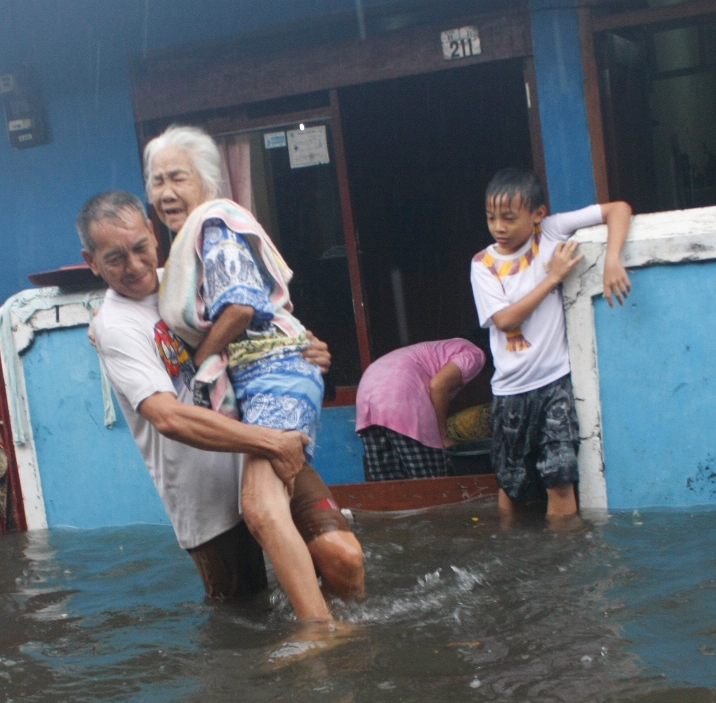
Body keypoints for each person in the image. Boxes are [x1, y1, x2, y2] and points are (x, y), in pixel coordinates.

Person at [79, 190, 365, 634]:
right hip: (208, 495)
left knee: (342, 559)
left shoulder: (187, 278)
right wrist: (273, 440)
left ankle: (340, 661)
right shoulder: (116, 327)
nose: (133, 266)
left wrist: (310, 351)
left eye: (139, 248)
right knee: (243, 623)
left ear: (155, 235)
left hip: (265, 454)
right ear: (91, 262)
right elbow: (169, 417)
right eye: (114, 258)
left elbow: (263, 327)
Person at [144, 125, 336, 626]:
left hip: (274, 372)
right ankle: (325, 618)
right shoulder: (188, 249)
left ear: (207, 181)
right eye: (157, 180)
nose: (166, 192)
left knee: (259, 507)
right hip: (266, 376)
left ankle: (320, 633)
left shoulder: (215, 227)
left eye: (178, 178)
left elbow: (241, 308)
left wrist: (198, 368)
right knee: (269, 510)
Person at [470, 168, 632, 523]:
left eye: (509, 218)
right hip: (510, 391)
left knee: (561, 479)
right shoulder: (483, 265)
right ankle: (509, 551)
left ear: (538, 214)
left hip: (555, 384)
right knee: (511, 485)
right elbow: (506, 321)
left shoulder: (553, 231)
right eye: (491, 217)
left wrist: (612, 259)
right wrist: (554, 277)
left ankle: (567, 563)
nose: (499, 227)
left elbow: (618, 209)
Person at [355, 338, 487, 481]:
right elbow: (438, 386)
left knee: (388, 485)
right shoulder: (474, 353)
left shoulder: (441, 348)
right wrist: (443, 436)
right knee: (430, 482)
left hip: (368, 394)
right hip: (400, 394)